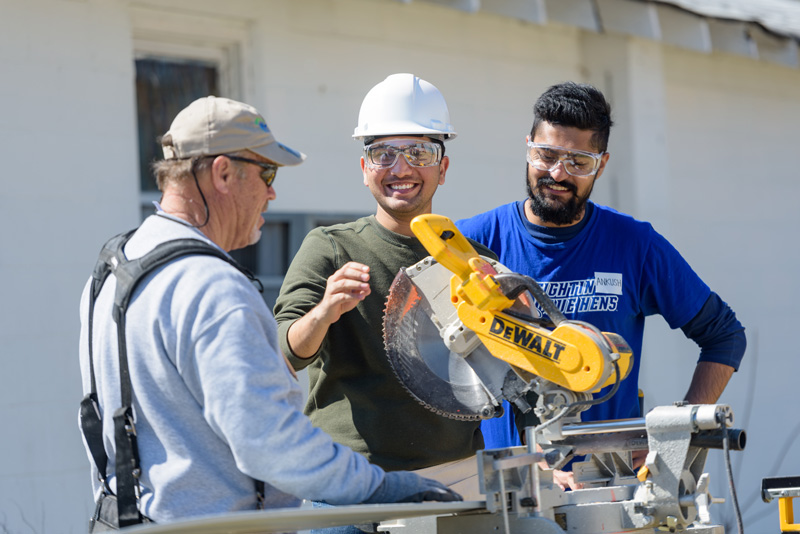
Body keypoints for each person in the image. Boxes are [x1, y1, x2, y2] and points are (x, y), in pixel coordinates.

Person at [78, 95, 460, 528]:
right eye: (267, 173)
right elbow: (270, 441)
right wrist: (385, 489)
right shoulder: (211, 286)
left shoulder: (116, 268)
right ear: (223, 173)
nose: (272, 192)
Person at [457, 82, 746, 463]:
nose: (557, 174)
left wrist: (677, 432)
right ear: (527, 147)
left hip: (608, 485)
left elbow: (724, 336)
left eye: (578, 162)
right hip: (510, 485)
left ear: (602, 164)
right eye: (545, 155)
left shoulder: (634, 245)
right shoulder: (472, 243)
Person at [273, 74, 495, 490]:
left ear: (442, 168)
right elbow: (285, 353)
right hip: (351, 479)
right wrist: (323, 313)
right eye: (383, 154)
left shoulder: (475, 262)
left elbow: (510, 376)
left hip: (458, 477)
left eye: (419, 151)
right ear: (364, 169)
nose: (401, 168)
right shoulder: (330, 248)